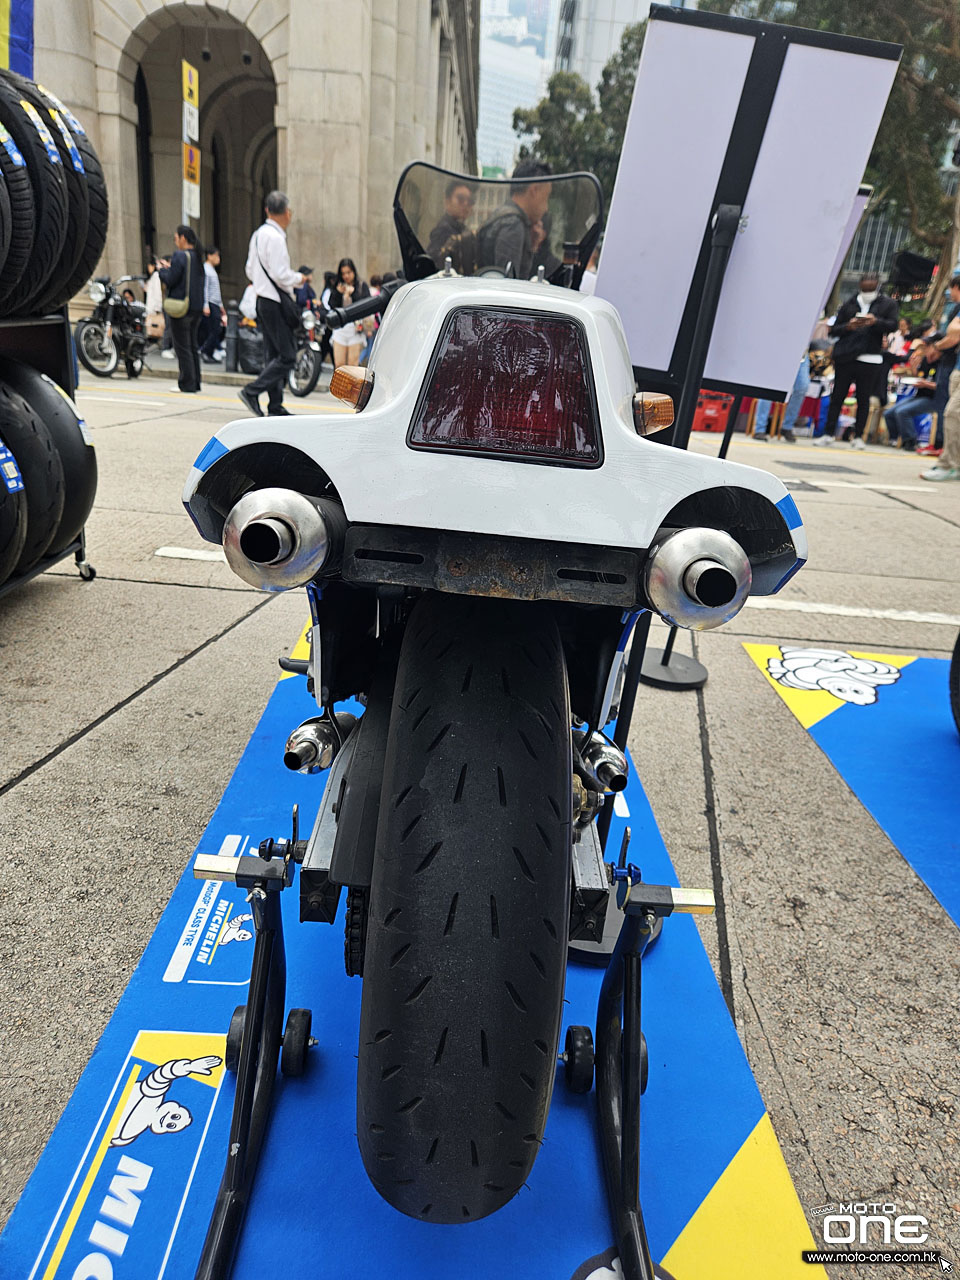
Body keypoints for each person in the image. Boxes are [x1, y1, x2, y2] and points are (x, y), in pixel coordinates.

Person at [240, 190, 310, 417]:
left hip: (262, 300)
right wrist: (299, 278)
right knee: (287, 356)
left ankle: (275, 404)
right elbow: (281, 274)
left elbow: (249, 270)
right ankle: (252, 391)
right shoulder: (277, 238)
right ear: (287, 213)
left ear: (267, 210)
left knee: (273, 355)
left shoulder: (258, 235)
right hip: (275, 302)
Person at [818, 273, 899, 448]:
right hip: (846, 356)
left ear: (877, 285)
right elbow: (834, 329)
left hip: (870, 357)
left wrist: (875, 321)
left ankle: (859, 436)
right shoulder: (849, 303)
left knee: (863, 398)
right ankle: (828, 433)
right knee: (837, 396)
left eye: (871, 285)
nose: (867, 287)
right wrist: (849, 326)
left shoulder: (887, 304)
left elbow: (893, 325)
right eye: (865, 284)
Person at [476, 159, 552, 280]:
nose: (546, 208)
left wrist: (531, 246)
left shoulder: (504, 215)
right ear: (535, 190)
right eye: (546, 197)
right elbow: (508, 284)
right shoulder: (513, 225)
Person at [157, 225, 205, 393]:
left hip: (181, 307)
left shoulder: (180, 256)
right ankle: (195, 382)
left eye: (176, 238)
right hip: (196, 307)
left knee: (182, 347)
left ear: (183, 238)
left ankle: (186, 383)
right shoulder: (197, 257)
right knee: (192, 346)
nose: (175, 242)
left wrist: (162, 271)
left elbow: (171, 279)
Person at [920, 290, 960, 481]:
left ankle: (948, 464)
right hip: (957, 368)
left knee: (952, 413)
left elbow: (954, 333)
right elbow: (953, 330)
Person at [882, 332, 945, 451]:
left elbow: (942, 386)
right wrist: (914, 367)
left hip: (933, 399)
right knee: (889, 413)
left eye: (928, 346)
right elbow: (919, 377)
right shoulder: (925, 360)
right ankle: (895, 439)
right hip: (919, 396)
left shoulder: (943, 363)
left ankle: (910, 441)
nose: (925, 348)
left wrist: (926, 384)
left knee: (902, 412)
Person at [752, 353, 810, 442]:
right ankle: (759, 429)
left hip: (801, 354)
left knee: (802, 387)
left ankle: (787, 427)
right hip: (778, 351)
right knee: (767, 385)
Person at [426, 178, 477, 274]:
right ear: (447, 201)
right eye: (460, 199)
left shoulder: (463, 230)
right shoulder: (442, 230)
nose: (466, 204)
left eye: (470, 201)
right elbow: (434, 266)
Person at [327, 258, 370, 368]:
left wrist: (353, 294)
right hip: (340, 328)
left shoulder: (361, 286)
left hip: (356, 328)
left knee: (352, 365)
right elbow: (331, 305)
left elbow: (365, 305)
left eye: (348, 272)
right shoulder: (338, 286)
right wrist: (338, 293)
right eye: (343, 273)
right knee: (339, 365)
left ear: (354, 272)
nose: (346, 276)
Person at [198, 246, 226, 364]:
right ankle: (205, 350)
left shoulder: (211, 270)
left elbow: (216, 290)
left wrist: (221, 305)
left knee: (215, 329)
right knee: (215, 329)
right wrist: (205, 305)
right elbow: (204, 288)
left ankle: (208, 352)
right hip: (210, 303)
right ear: (209, 256)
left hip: (215, 303)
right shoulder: (206, 269)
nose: (218, 258)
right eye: (216, 255)